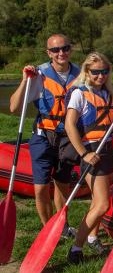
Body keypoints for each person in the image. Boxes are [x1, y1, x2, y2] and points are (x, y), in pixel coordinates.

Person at [9, 34, 80, 238]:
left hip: (67, 138)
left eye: (65, 48)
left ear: (70, 49)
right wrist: (25, 81)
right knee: (40, 189)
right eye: (55, 50)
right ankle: (48, 229)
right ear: (48, 53)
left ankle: (63, 226)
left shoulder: (80, 74)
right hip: (42, 136)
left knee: (62, 185)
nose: (61, 53)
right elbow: (14, 107)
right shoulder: (38, 75)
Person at [64, 52, 113, 264]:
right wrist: (84, 152)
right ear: (87, 72)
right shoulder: (79, 94)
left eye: (104, 71)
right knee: (101, 204)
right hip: (91, 151)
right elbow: (69, 125)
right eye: (96, 72)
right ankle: (75, 249)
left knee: (98, 200)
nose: (100, 76)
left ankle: (92, 237)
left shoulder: (109, 94)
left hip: (107, 149)